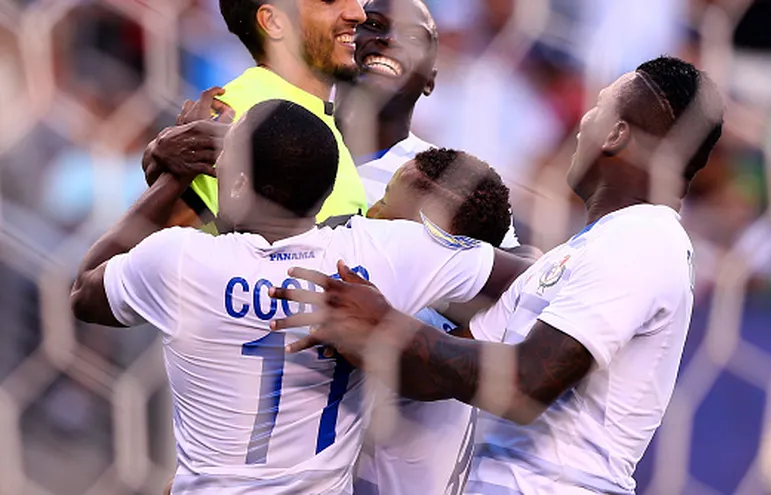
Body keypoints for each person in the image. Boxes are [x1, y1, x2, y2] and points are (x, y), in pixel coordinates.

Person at [270, 56, 725, 495]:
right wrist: (358, 317)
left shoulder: (646, 237)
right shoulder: (575, 254)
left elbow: (527, 384)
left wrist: (385, 324)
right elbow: (439, 374)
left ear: (615, 133)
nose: (581, 123)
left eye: (599, 106)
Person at [70, 100, 530, 494]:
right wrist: (460, 332)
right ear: (329, 189)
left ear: (235, 183)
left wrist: (175, 176)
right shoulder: (382, 254)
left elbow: (84, 291)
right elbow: (532, 273)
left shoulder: (177, 260)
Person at [357, 148, 512, 495]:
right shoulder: (485, 320)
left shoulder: (390, 316)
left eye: (386, 204)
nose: (370, 212)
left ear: (434, 243)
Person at [142, 0, 369, 230]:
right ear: (273, 22)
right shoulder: (234, 116)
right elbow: (165, 251)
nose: (358, 14)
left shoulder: (309, 109)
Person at [335, 0, 521, 248]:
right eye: (373, 24)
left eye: (413, 37)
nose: (390, 39)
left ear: (430, 81)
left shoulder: (447, 181)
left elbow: (522, 264)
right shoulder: (284, 133)